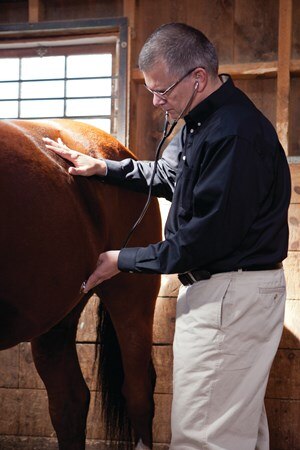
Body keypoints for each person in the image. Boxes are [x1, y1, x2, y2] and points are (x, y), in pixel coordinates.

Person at [44, 23, 291, 450]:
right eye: (151, 91)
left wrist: (121, 260)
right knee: (238, 432)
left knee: (203, 438)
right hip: (227, 292)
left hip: (230, 295)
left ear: (198, 77)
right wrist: (104, 168)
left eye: (163, 91)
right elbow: (171, 175)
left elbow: (204, 241)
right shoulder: (200, 121)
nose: (157, 101)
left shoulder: (233, 133)